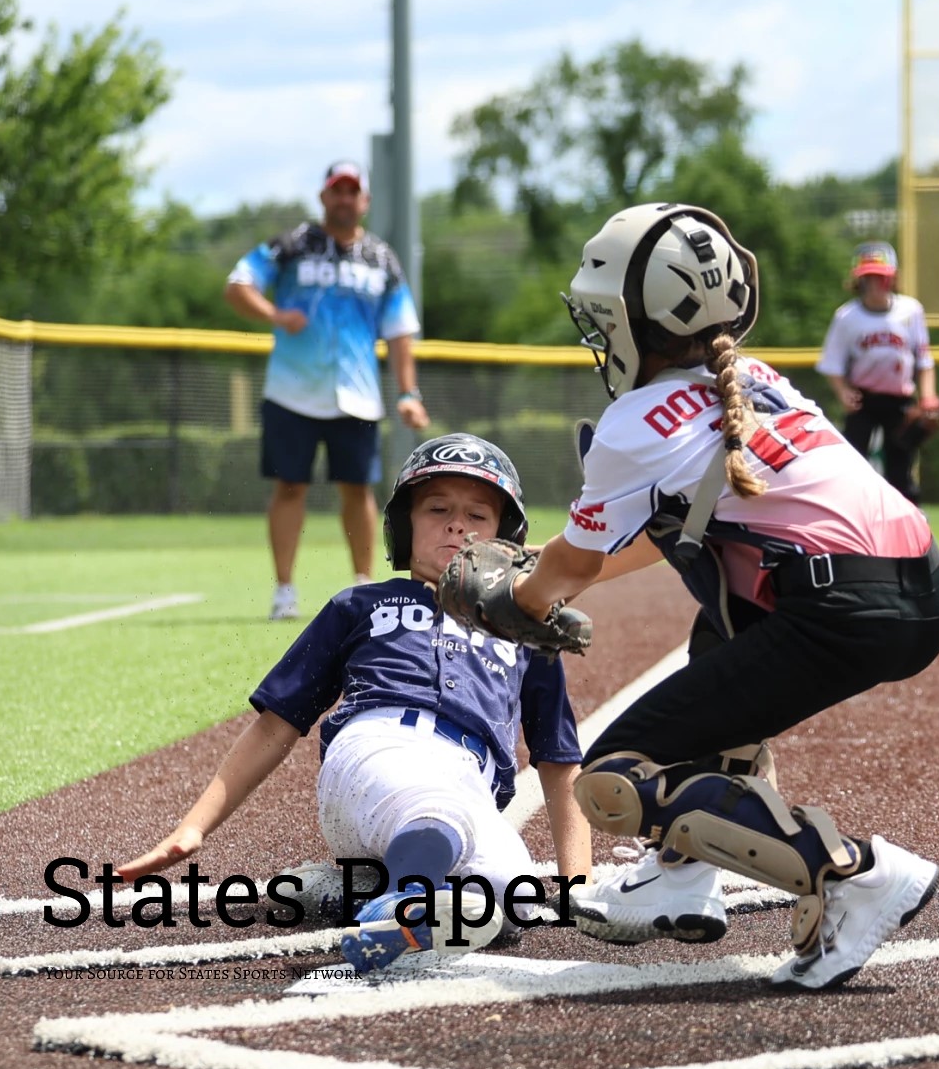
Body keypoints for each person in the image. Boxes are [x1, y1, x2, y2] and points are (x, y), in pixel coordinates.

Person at [506, 203, 939, 991]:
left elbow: (566, 572)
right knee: (720, 614)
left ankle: (855, 872)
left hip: (838, 607)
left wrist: (509, 593)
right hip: (920, 584)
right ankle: (678, 873)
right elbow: (664, 539)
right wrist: (538, 580)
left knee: (613, 778)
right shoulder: (755, 377)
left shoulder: (632, 421)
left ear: (632, 319)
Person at [117, 433, 591, 974]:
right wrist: (194, 826)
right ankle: (403, 902)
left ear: (505, 539)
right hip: (376, 752)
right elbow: (277, 725)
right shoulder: (362, 604)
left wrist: (577, 885)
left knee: (512, 894)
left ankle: (357, 889)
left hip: (468, 782)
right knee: (437, 812)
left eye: (477, 515)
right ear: (402, 526)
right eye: (437, 509)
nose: (457, 525)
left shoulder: (527, 632)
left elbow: (558, 759)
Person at [225, 161, 431, 621]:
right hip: (291, 393)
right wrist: (275, 316)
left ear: (365, 201)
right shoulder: (292, 246)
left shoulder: (381, 259)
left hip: (355, 395)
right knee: (290, 486)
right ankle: (284, 590)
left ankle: (362, 586)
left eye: (352, 191)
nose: (344, 198)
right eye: (336, 190)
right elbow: (238, 284)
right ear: (323, 197)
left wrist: (409, 392)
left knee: (357, 490)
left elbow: (400, 332)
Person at [815, 241, 939, 504]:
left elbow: (924, 360)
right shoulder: (847, 316)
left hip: (900, 400)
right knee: (852, 464)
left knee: (900, 469)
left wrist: (928, 397)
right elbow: (832, 363)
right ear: (858, 281)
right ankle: (852, 522)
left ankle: (910, 526)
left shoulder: (910, 310)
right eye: (868, 278)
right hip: (864, 400)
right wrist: (843, 392)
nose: (874, 284)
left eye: (880, 277)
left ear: (893, 279)